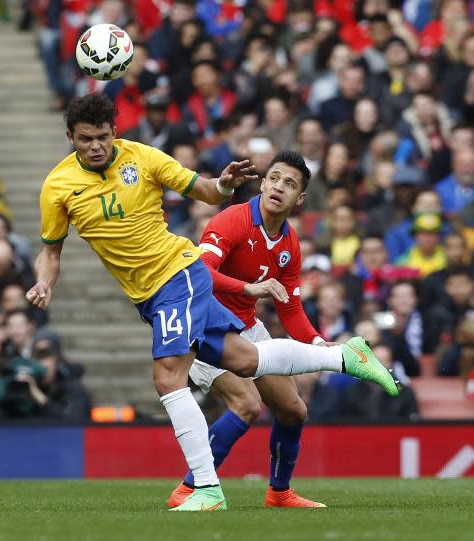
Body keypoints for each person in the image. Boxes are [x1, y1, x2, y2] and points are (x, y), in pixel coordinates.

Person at [26, 93, 399, 512]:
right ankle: (345, 358)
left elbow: (203, 190)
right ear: (70, 137)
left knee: (169, 378)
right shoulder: (57, 186)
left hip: (175, 274)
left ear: (116, 132)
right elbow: (51, 251)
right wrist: (44, 283)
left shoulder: (144, 158)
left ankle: (204, 488)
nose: (96, 146)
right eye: (85, 139)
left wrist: (222, 184)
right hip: (149, 295)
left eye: (103, 137)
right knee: (243, 360)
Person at [169, 151, 330, 509]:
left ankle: (279, 493)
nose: (278, 187)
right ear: (262, 181)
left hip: (247, 327)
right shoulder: (233, 220)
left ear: (300, 199)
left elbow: (290, 308)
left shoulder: (289, 244)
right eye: (274, 177)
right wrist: (248, 289)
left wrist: (322, 345)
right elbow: (199, 271)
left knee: (293, 411)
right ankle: (191, 488)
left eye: (290, 184)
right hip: (205, 324)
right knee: (246, 405)